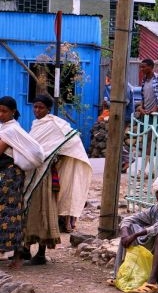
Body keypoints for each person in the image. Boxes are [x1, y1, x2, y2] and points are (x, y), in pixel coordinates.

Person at [26, 95, 93, 264]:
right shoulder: (36, 125)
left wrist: (55, 157)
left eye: (41, 107)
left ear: (48, 109)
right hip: (31, 174)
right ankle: (25, 248)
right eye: (35, 107)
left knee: (44, 211)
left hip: (45, 176)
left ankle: (41, 253)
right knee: (28, 211)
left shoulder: (57, 125)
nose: (37, 111)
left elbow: (72, 142)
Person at [0, 96, 44, 269]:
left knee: (10, 214)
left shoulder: (10, 130)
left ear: (13, 112)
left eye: (4, 111)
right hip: (6, 175)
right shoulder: (6, 128)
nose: (1, 114)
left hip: (9, 176)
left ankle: (18, 254)